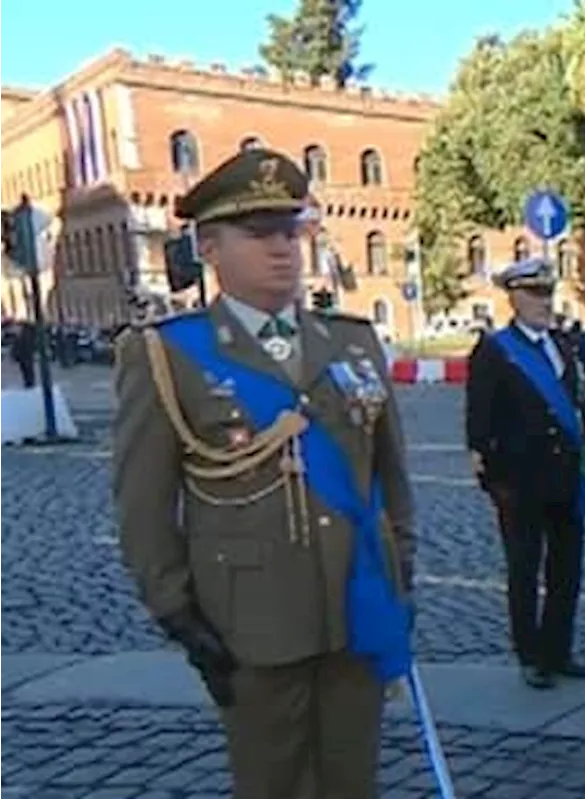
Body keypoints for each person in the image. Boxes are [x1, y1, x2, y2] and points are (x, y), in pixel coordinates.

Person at [112, 148, 416, 799]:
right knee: (272, 785)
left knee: (352, 781)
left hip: (357, 604)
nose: (283, 249)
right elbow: (143, 507)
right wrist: (181, 617)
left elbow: (390, 475)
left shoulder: (353, 340)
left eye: (291, 231)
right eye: (259, 234)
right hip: (251, 620)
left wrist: (399, 567)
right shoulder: (168, 355)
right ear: (211, 248)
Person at [465, 258, 585, 689]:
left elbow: (576, 402)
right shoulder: (495, 350)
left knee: (567, 569)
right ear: (514, 298)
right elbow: (480, 423)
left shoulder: (562, 345)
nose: (545, 303)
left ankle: (559, 650)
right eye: (535, 295)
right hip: (520, 482)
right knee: (525, 569)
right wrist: (495, 480)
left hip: (566, 477)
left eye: (548, 294)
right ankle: (530, 655)